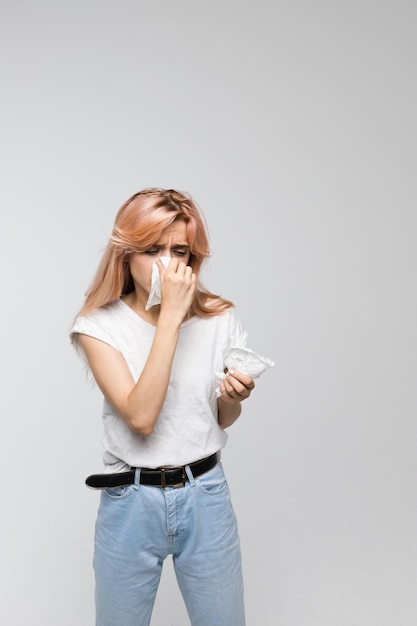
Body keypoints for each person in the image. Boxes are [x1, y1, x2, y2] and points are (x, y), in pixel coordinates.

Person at [70, 188, 256, 626]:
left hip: (206, 493)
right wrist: (171, 315)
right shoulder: (97, 327)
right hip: (131, 501)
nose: (167, 265)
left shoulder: (219, 318)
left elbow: (218, 419)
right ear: (125, 254)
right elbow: (141, 418)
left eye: (179, 252)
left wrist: (232, 398)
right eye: (151, 249)